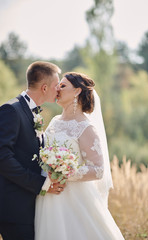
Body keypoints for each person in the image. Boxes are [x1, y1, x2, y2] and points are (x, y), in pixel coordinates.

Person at [35, 72, 125, 240]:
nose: (57, 89)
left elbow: (98, 170)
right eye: (58, 85)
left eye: (63, 86)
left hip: (74, 198)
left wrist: (64, 171)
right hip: (48, 194)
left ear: (76, 91)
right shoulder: (55, 121)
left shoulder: (86, 128)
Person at [0, 61, 65, 240]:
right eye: (56, 85)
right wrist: (41, 184)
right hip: (14, 209)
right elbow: (3, 158)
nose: (58, 89)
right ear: (44, 88)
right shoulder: (11, 110)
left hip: (29, 207)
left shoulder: (33, 111)